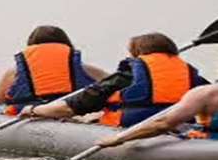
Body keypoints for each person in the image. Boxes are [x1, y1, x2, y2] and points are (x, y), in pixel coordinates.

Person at [21, 32, 209, 125]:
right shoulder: (193, 78)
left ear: (136, 55)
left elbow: (68, 108)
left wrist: (33, 110)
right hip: (178, 128)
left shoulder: (124, 78)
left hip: (132, 128)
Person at [0, 25, 106, 111]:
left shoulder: (14, 71)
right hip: (70, 112)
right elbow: (113, 85)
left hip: (29, 112)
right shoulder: (88, 69)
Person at [96, 84, 218, 149]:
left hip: (209, 143)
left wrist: (119, 138)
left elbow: (163, 125)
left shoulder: (205, 94)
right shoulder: (207, 92)